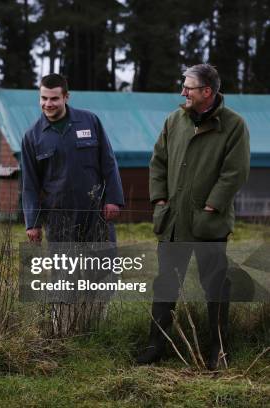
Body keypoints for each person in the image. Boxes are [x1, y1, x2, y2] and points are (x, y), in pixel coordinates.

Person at [137, 64, 250, 370]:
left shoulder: (234, 125)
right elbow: (157, 161)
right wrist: (160, 200)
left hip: (208, 225)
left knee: (215, 287)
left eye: (188, 87)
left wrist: (212, 206)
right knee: (165, 286)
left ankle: (219, 350)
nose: (182, 92)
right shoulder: (175, 120)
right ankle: (154, 346)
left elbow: (235, 172)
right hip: (173, 222)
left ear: (207, 92)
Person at [21, 73, 124, 244]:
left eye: (54, 99)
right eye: (43, 98)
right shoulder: (32, 136)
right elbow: (29, 184)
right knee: (64, 271)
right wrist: (32, 222)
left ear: (66, 97)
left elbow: (109, 163)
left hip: (95, 213)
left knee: (102, 269)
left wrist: (114, 199)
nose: (48, 104)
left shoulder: (90, 121)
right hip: (58, 218)